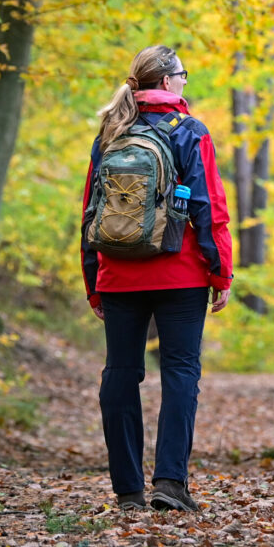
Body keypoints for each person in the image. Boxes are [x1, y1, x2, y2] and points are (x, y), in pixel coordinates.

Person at [80, 45, 234, 512]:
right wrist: (220, 272)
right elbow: (209, 208)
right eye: (183, 75)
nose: (186, 82)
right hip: (181, 275)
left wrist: (94, 281)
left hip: (119, 274)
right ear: (167, 82)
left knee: (121, 375)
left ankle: (127, 490)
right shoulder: (190, 131)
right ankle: (170, 483)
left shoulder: (111, 131)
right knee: (181, 372)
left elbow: (90, 211)